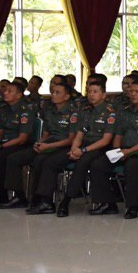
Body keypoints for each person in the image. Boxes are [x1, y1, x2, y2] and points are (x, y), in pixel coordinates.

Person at [88, 78, 138, 218]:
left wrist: (130, 151)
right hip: (124, 151)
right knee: (98, 165)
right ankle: (107, 204)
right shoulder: (124, 111)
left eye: (137, 91)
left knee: (131, 166)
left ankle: (133, 207)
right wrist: (117, 151)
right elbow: (118, 134)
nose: (133, 94)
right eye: (131, 91)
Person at [0, 80, 74, 209]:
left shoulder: (73, 113)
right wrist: (39, 143)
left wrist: (49, 146)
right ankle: (19, 196)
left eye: (57, 93)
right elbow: (45, 134)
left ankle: (42, 200)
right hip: (48, 144)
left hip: (63, 146)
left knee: (41, 161)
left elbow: (71, 139)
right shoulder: (50, 111)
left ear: (66, 96)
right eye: (53, 92)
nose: (53, 95)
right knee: (14, 158)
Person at [52, 76, 118, 218]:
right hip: (84, 147)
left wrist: (82, 151)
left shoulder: (110, 112)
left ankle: (66, 201)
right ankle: (44, 199)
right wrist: (73, 149)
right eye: (89, 92)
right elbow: (79, 134)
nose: (91, 95)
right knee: (54, 160)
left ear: (104, 95)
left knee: (83, 162)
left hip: (101, 148)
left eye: (95, 92)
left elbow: (105, 140)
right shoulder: (86, 110)